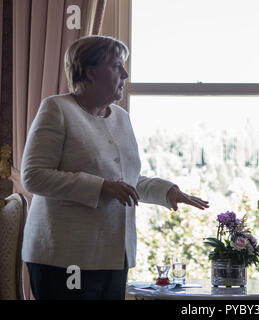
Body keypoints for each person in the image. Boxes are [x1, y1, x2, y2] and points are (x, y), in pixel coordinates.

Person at [21, 35, 209, 300]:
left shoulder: (121, 118)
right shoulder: (57, 109)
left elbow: (127, 181)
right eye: (117, 66)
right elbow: (34, 176)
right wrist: (102, 187)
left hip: (113, 256)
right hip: (64, 258)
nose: (126, 73)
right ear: (90, 72)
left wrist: (167, 191)